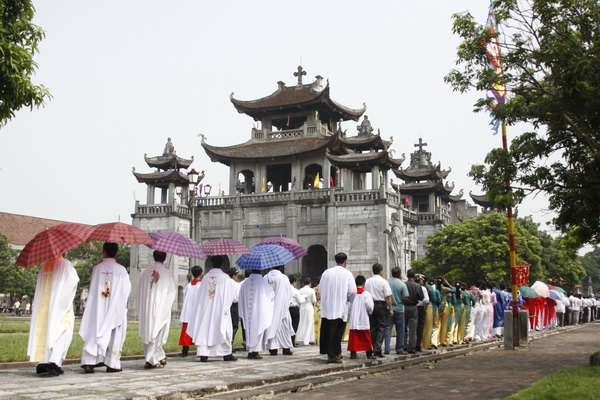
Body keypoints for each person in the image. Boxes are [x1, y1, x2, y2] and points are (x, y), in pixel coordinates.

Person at [80, 242, 131, 373]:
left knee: (94, 329)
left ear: (103, 251)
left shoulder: (97, 268)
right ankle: (111, 363)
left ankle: (89, 361)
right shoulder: (121, 270)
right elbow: (126, 290)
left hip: (98, 307)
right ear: (116, 252)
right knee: (114, 331)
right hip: (114, 307)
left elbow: (92, 288)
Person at [28, 255, 79, 376]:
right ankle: (54, 362)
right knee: (62, 332)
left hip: (44, 306)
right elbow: (73, 281)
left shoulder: (44, 266)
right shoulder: (66, 264)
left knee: (44, 331)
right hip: (60, 305)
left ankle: (42, 361)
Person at [188, 255, 238, 362]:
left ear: (211, 264)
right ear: (222, 264)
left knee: (205, 328)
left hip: (206, 309)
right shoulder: (225, 278)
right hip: (221, 309)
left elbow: (200, 295)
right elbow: (231, 296)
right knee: (223, 328)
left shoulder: (206, 277)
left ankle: (204, 354)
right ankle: (226, 353)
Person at [137, 250, 176, 369]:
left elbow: (139, 290)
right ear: (164, 258)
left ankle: (158, 355)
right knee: (157, 330)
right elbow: (171, 292)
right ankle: (151, 360)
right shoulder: (166, 272)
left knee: (149, 329)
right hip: (160, 307)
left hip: (147, 307)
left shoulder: (145, 272)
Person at [319, 252, 357, 363]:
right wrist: (349, 301)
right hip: (340, 307)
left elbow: (320, 289)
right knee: (337, 333)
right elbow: (353, 291)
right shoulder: (347, 274)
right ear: (345, 261)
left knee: (328, 332)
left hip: (327, 307)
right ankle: (333, 354)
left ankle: (333, 352)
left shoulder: (326, 272)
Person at [239, 269, 275, 359]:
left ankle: (251, 350)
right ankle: (254, 351)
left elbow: (241, 297)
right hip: (260, 312)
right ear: (261, 270)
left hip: (248, 312)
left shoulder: (245, 283)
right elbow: (271, 296)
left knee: (250, 330)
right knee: (259, 328)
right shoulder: (264, 283)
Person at [264, 266, 295, 355]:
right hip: (282, 308)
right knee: (284, 328)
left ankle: (272, 348)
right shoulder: (284, 278)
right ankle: (286, 348)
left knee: (271, 327)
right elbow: (289, 293)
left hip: (270, 308)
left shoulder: (266, 278)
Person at [364, 263, 393, 357]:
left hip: (370, 304)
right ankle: (377, 347)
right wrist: (391, 308)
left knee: (373, 327)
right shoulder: (383, 281)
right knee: (382, 326)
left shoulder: (367, 281)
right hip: (380, 304)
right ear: (381, 271)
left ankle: (374, 346)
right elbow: (387, 297)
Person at [348, 275, 375, 360]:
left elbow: (349, 306)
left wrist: (351, 313)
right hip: (363, 317)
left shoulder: (352, 295)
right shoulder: (366, 294)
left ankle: (353, 354)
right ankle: (369, 354)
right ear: (364, 284)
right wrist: (370, 312)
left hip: (354, 318)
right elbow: (370, 307)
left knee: (354, 337)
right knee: (366, 336)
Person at [179, 265, 202, 357]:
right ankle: (200, 350)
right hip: (196, 310)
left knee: (186, 331)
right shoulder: (200, 285)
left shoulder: (188, 285)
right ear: (201, 274)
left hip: (188, 310)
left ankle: (185, 351)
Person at [384, 267, 408, 354]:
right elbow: (405, 297)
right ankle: (399, 349)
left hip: (388, 308)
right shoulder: (402, 284)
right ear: (399, 274)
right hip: (399, 308)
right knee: (400, 330)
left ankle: (387, 348)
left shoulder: (386, 282)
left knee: (388, 329)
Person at [403, 268, 424, 354]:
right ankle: (411, 347)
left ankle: (404, 345)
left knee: (404, 328)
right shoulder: (417, 286)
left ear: (407, 276)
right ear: (415, 277)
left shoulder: (403, 284)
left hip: (404, 306)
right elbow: (421, 297)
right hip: (413, 307)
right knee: (413, 328)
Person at [296, 277, 317, 346]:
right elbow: (314, 300)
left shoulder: (300, 290)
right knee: (309, 323)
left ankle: (300, 339)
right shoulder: (311, 290)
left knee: (302, 322)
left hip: (302, 307)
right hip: (309, 306)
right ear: (310, 283)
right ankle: (306, 340)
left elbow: (298, 300)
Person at [226, 267, 241, 350]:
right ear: (234, 275)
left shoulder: (224, 283)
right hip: (234, 306)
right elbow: (237, 297)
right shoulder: (236, 285)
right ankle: (230, 343)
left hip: (225, 305)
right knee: (234, 326)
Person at [288, 275, 305, 346]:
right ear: (294, 282)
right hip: (294, 308)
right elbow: (300, 300)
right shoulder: (295, 290)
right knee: (294, 325)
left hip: (288, 309)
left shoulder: (286, 289)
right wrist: (304, 297)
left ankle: (288, 341)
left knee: (288, 325)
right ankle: (292, 340)